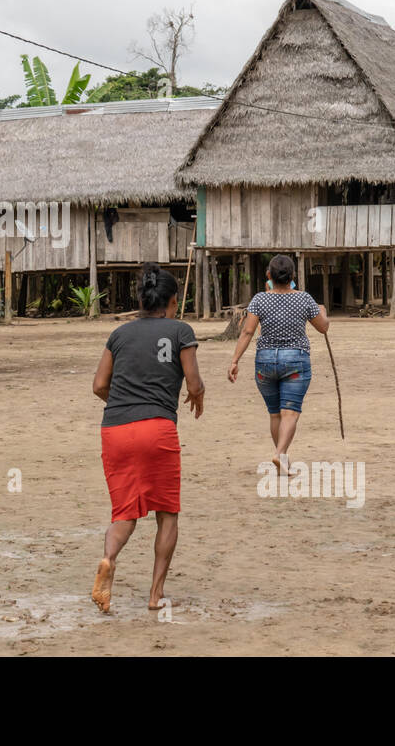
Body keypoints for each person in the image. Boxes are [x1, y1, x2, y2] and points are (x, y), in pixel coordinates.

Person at [90, 262, 204, 614]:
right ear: (171, 301)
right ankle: (155, 596)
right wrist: (197, 395)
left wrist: (125, 405)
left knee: (124, 513)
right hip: (157, 429)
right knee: (167, 513)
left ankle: (108, 559)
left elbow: (98, 385)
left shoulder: (119, 334)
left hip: (116, 429)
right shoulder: (180, 331)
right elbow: (194, 382)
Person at [228, 254, 329, 477]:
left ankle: (282, 459)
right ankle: (280, 452)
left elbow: (247, 331)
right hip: (295, 360)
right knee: (290, 414)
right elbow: (323, 328)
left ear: (269, 276)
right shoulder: (304, 299)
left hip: (265, 362)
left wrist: (235, 360)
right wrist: (322, 311)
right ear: (293, 276)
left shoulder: (259, 300)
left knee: (275, 414)